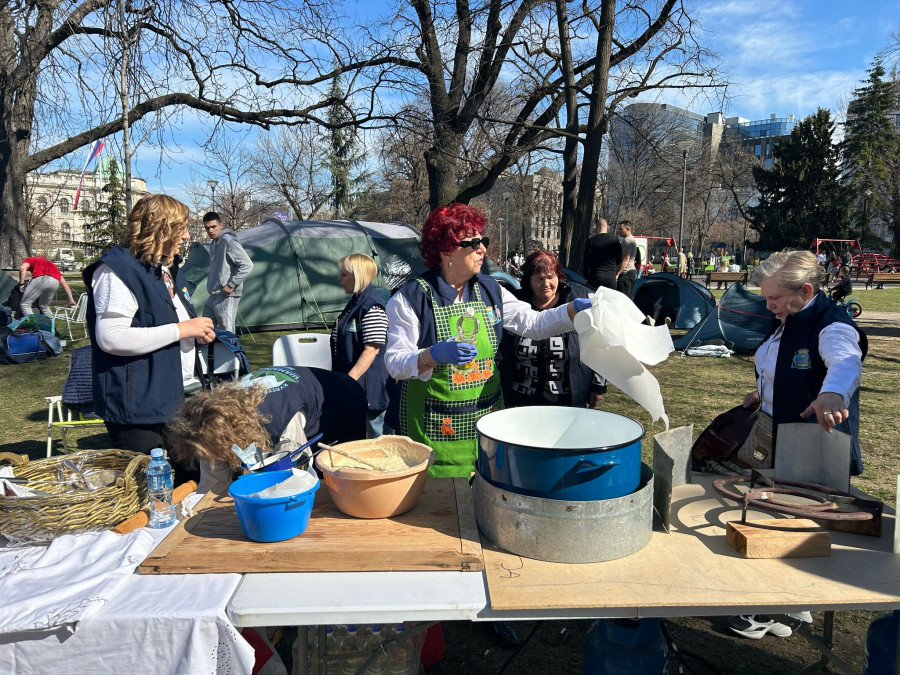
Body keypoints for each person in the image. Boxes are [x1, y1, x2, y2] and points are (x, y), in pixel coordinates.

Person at [384, 203, 591, 478]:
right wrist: (432, 355)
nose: (482, 248)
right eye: (472, 243)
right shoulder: (412, 298)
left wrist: (573, 310)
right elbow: (395, 363)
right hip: (435, 429)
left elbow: (533, 323)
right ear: (446, 250)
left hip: (486, 426)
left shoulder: (491, 289)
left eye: (483, 240)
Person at [728, 249, 866, 640]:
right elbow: (782, 363)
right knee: (782, 521)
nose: (768, 305)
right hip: (780, 434)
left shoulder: (831, 325)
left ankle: (774, 608)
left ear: (805, 290)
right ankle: (792, 604)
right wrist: (762, 392)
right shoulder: (791, 317)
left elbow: (845, 361)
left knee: (793, 525)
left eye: (773, 298)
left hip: (813, 445)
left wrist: (834, 394)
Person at [83, 194, 216, 459]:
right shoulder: (117, 270)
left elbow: (164, 322)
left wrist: (197, 333)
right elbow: (111, 338)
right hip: (139, 406)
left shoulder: (165, 268)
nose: (187, 236)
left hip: (177, 396)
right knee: (149, 487)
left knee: (185, 484)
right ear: (161, 229)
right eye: (182, 228)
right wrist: (182, 330)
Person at [168, 365, 367, 493]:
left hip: (344, 398)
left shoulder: (281, 418)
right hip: (298, 394)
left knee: (340, 477)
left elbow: (297, 474)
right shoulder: (210, 421)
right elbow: (213, 485)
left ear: (235, 433)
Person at [503, 250, 606, 408]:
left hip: (567, 398)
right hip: (521, 398)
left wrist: (597, 385)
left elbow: (598, 343)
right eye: (539, 279)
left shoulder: (577, 300)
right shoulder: (514, 305)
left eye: (551, 277)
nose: (546, 284)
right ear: (528, 280)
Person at [331, 253, 392, 438]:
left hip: (370, 391)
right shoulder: (356, 303)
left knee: (378, 443)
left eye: (344, 274)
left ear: (358, 276)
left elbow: (371, 350)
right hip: (354, 388)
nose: (339, 278)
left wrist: (348, 382)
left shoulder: (372, 307)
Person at [202, 211, 254, 333]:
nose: (210, 230)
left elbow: (247, 264)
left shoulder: (229, 241)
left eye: (213, 226)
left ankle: (233, 353)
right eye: (207, 228)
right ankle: (211, 353)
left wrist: (231, 284)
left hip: (226, 294)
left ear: (221, 225)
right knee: (204, 329)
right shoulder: (214, 242)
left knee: (228, 332)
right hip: (213, 294)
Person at [581, 217, 622, 290]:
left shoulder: (591, 241)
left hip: (595, 277)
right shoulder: (615, 241)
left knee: (595, 300)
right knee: (610, 300)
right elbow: (620, 259)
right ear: (607, 227)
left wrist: (586, 277)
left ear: (597, 228)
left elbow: (586, 262)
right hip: (610, 277)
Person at [615, 220, 637, 298]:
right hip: (631, 272)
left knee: (624, 299)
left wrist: (617, 273)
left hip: (626, 274)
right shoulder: (632, 239)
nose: (619, 231)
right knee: (629, 298)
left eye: (621, 229)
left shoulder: (627, 241)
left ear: (627, 229)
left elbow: (625, 259)